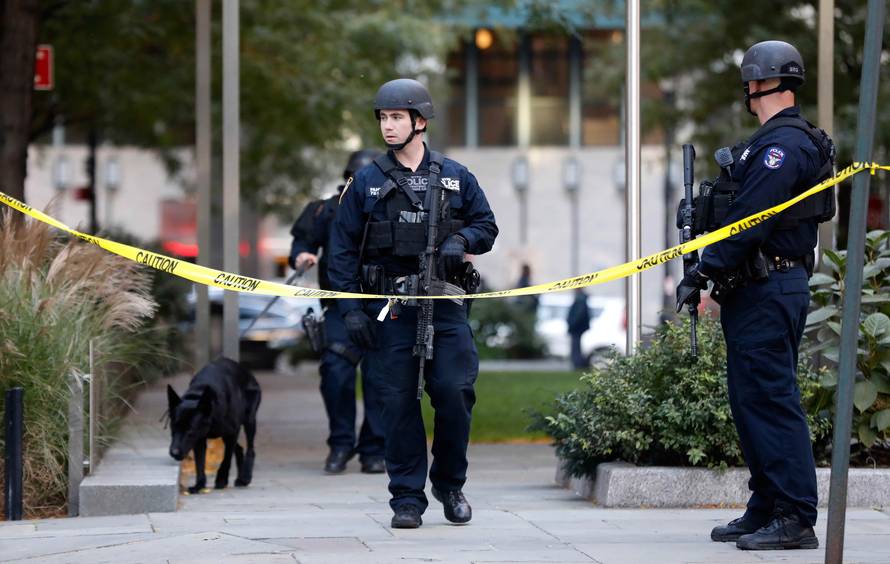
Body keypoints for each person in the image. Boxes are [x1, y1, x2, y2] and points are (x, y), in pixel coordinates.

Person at [676, 40, 835, 551]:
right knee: (751, 403)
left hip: (771, 285)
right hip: (755, 287)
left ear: (756, 84)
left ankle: (795, 516)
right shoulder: (773, 141)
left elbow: (749, 220)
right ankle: (767, 503)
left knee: (771, 400)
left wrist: (703, 271)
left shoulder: (781, 146)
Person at [328, 78, 498, 529]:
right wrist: (349, 310)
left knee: (455, 392)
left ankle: (449, 483)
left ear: (420, 122)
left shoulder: (456, 176)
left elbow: (487, 225)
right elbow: (341, 251)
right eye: (383, 117)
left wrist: (460, 238)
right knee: (397, 402)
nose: (388, 126)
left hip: (444, 303)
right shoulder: (364, 182)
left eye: (397, 117)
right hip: (391, 310)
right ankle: (406, 497)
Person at [288, 149, 386, 475]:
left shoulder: (392, 207)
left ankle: (374, 449)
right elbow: (302, 242)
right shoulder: (325, 210)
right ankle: (341, 444)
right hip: (340, 306)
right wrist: (302, 257)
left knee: (381, 379)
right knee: (335, 372)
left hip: (383, 305)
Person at [567, 289, 590, 370]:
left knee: (576, 347)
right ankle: (578, 364)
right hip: (578, 328)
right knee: (577, 347)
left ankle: (577, 364)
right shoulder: (581, 299)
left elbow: (578, 315)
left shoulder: (580, 300)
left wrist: (572, 323)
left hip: (577, 328)